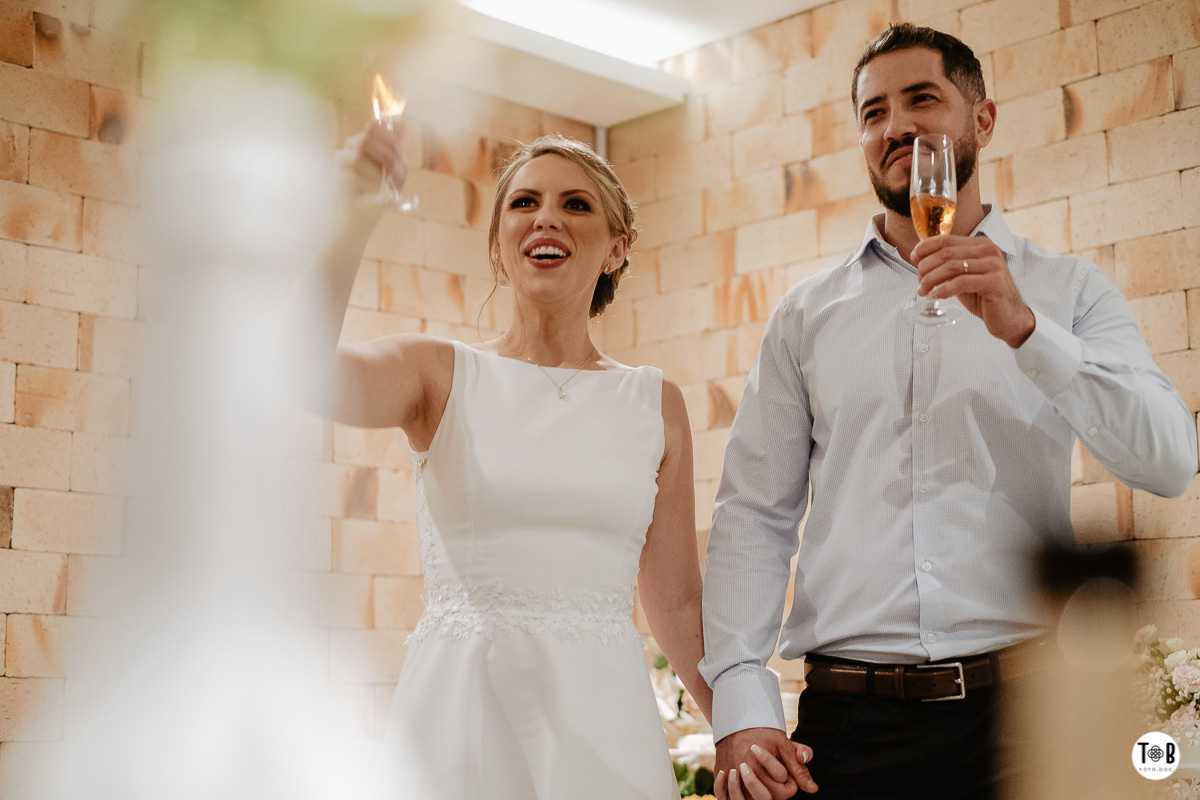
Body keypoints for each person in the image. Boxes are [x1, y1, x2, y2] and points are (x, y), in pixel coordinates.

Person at [699, 22, 1199, 800]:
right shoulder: (805, 317)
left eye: (920, 99)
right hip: (848, 725)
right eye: (872, 113)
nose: (894, 126)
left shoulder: (1067, 291)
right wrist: (740, 697)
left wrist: (1028, 332)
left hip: (1024, 721)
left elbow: (1169, 460)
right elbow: (754, 517)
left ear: (983, 121)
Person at [288, 125, 713, 799]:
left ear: (616, 248)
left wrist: (742, 726)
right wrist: (351, 219)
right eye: (524, 203)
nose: (546, 216)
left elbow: (681, 603)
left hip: (603, 722)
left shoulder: (654, 403)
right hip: (462, 713)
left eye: (576, 204)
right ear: (499, 244)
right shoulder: (437, 374)